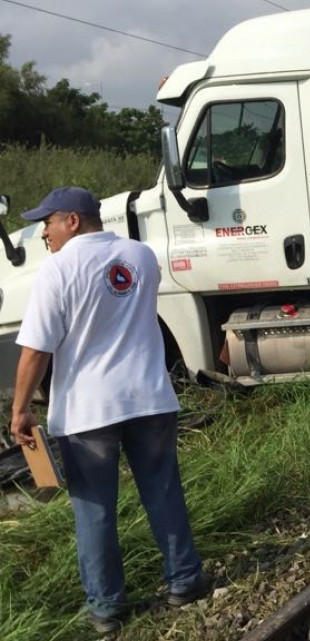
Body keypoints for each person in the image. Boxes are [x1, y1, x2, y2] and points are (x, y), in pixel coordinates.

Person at [8, 187, 207, 633]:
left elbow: (35, 351)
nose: (44, 233)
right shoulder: (140, 256)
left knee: (95, 509)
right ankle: (185, 580)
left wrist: (19, 410)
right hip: (150, 398)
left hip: (87, 411)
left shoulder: (58, 270)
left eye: (48, 223)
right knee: (163, 491)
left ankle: (107, 607)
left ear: (73, 221)